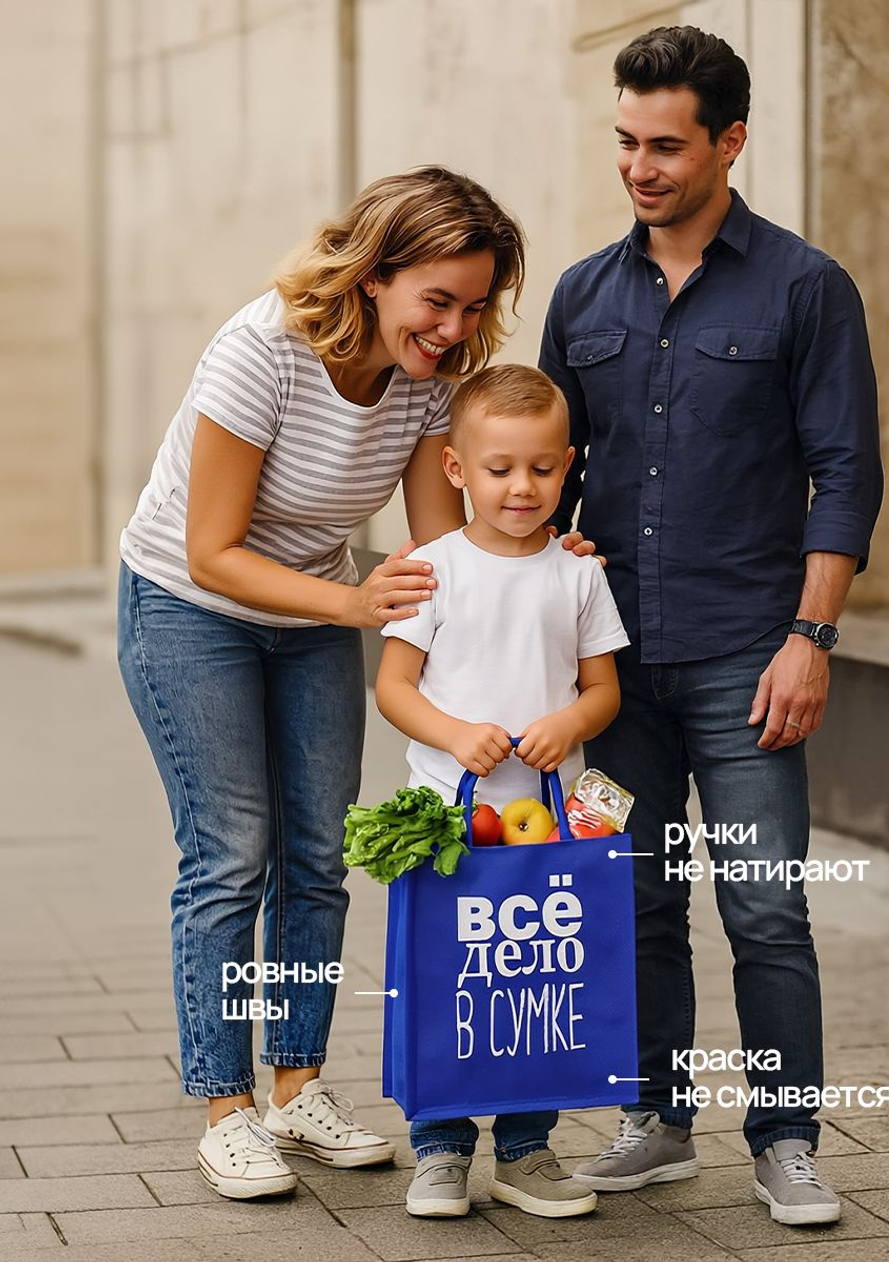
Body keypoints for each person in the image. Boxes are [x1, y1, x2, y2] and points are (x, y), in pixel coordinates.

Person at [117, 167, 597, 1201]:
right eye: (438, 299)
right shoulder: (264, 350)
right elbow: (210, 551)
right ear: (374, 276)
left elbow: (439, 544)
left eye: (475, 305)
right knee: (231, 853)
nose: (455, 325)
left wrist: (541, 562)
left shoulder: (432, 375)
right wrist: (352, 606)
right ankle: (226, 1104)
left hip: (320, 612)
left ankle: (296, 1086)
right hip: (187, 609)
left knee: (319, 855)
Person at [538, 26, 883, 1227]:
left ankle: (786, 1136)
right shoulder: (582, 291)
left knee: (763, 902)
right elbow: (546, 464)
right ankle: (655, 1119)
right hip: (614, 663)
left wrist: (812, 637)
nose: (639, 165)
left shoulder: (803, 286)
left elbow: (844, 474)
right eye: (626, 141)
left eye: (666, 145)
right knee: (634, 897)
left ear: (731, 140)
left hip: (750, 648)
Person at [375, 364, 630, 1219]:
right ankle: (442, 1151)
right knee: (454, 977)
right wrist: (452, 734)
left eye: (544, 469)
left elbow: (603, 690)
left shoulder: (577, 573)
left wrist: (571, 721)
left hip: (547, 824)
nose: (523, 487)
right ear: (455, 469)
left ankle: (527, 1150)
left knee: (535, 981)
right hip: (449, 819)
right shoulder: (430, 568)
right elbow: (395, 688)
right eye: (499, 469)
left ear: (568, 466)